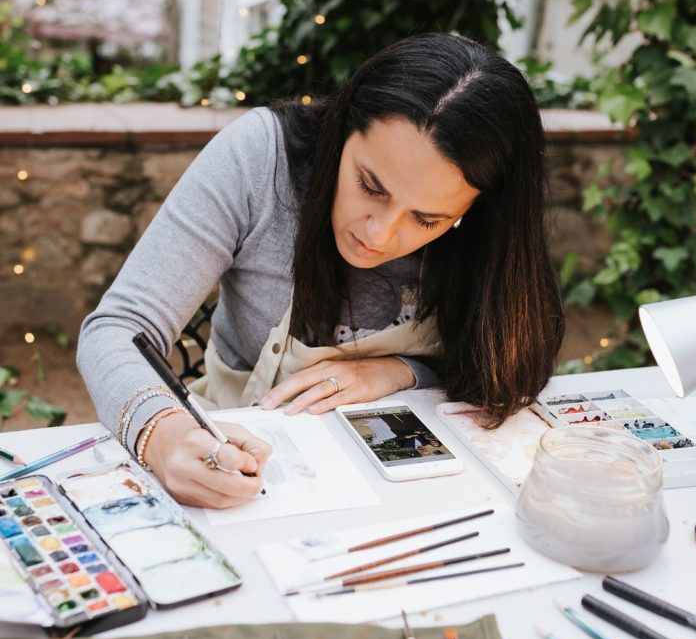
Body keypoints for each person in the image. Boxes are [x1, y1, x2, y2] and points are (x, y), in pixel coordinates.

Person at [77, 33, 564, 509]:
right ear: (342, 131)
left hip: (422, 495)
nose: (378, 234)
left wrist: (401, 373)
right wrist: (162, 435)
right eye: (370, 186)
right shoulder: (261, 158)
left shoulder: (492, 230)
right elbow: (118, 328)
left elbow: (514, 365)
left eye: (426, 219)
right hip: (249, 471)